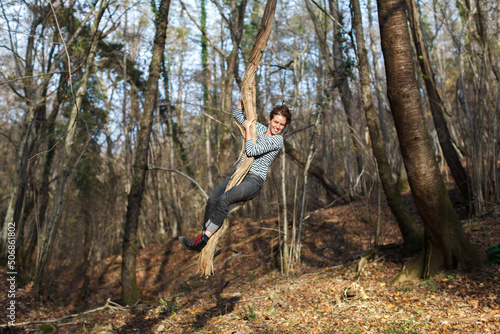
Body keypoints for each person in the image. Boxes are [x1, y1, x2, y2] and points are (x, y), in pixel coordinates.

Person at [179, 100, 292, 254]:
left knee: (225, 199)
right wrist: (244, 99)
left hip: (254, 180)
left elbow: (252, 150)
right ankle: (209, 243)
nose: (278, 127)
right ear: (270, 119)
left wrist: (247, 130)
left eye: (282, 125)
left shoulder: (277, 140)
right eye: (276, 122)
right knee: (212, 200)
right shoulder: (257, 127)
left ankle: (202, 240)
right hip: (238, 174)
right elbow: (237, 114)